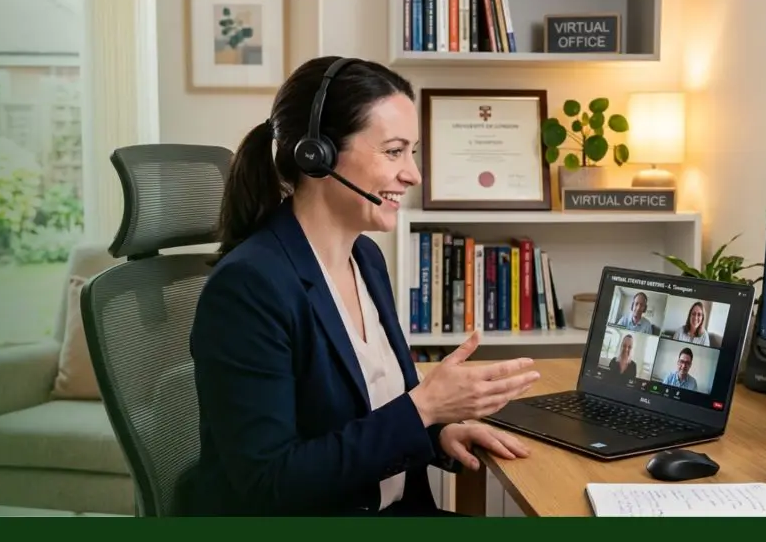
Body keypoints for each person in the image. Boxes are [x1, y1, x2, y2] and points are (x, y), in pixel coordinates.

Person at [182, 56, 540, 517]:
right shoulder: (249, 287)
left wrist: (438, 434)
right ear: (317, 155)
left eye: (412, 152)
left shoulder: (366, 258)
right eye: (394, 152)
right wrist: (424, 410)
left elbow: (369, 410)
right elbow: (269, 482)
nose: (413, 174)